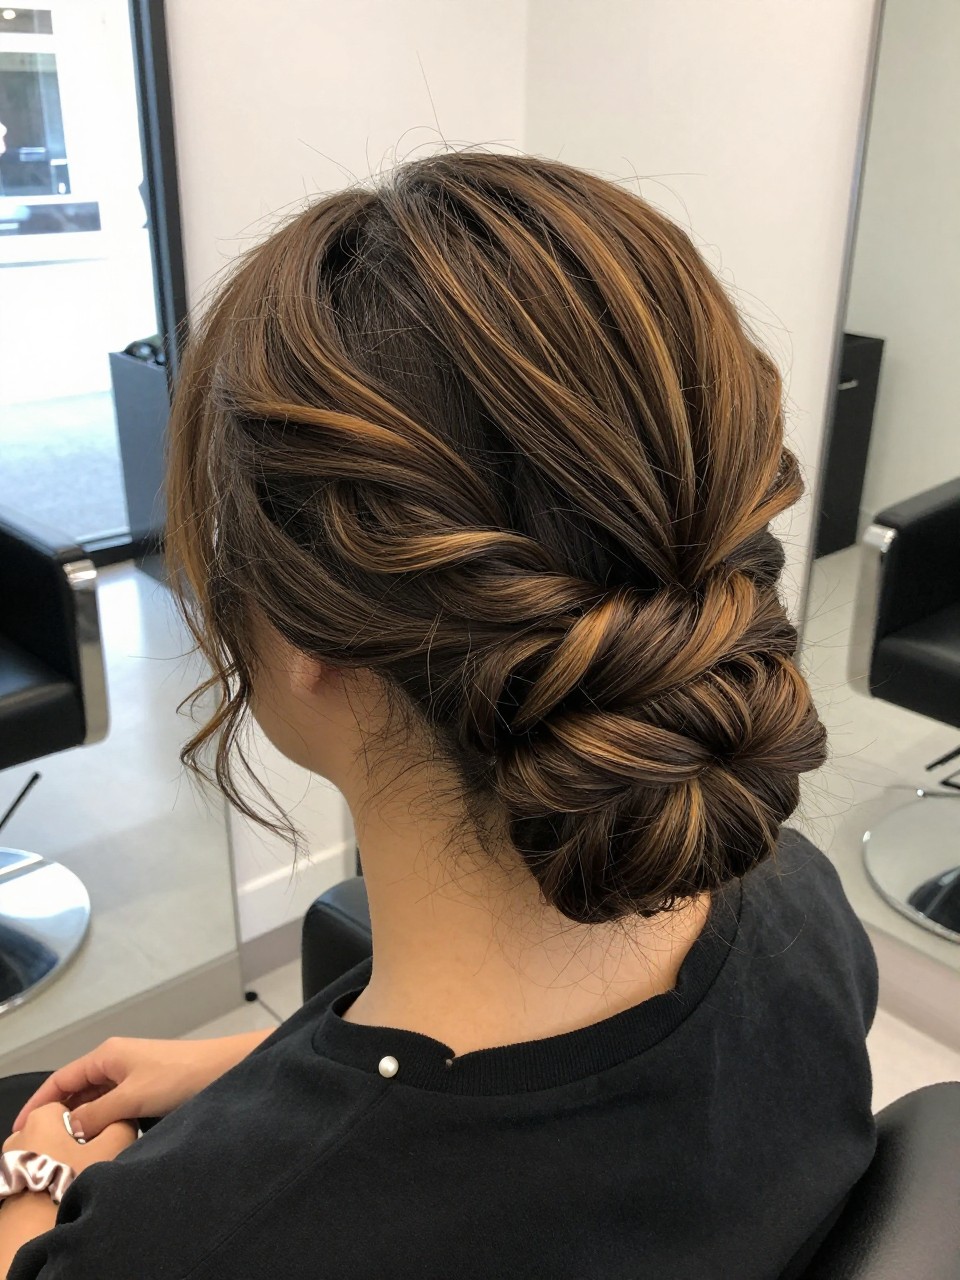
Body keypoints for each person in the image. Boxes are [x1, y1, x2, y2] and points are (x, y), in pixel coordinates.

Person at [0, 152, 877, 1279]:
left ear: (307, 630)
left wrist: (33, 1183)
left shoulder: (181, 1244)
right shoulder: (803, 907)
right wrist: (257, 1071)